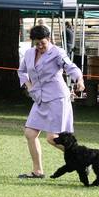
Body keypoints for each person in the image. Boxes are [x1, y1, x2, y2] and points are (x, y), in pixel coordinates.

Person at [17, 25, 85, 178]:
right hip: (39, 98)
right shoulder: (28, 53)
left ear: (49, 39)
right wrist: (29, 85)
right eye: (37, 43)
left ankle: (82, 158)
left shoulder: (57, 52)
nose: (40, 46)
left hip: (57, 98)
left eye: (43, 43)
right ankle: (37, 171)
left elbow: (71, 67)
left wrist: (79, 80)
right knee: (29, 133)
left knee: (52, 138)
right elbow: (21, 71)